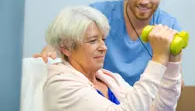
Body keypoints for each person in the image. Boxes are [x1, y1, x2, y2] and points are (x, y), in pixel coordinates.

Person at [34, 0, 184, 86]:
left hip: (144, 101)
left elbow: (174, 77)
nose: (144, 1)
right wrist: (49, 52)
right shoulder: (98, 14)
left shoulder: (168, 25)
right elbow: (62, 44)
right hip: (98, 96)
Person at [43, 6, 182, 111]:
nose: (104, 47)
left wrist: (173, 60)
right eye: (92, 41)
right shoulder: (61, 86)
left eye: (103, 39)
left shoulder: (111, 79)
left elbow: (161, 109)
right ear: (66, 48)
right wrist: (158, 58)